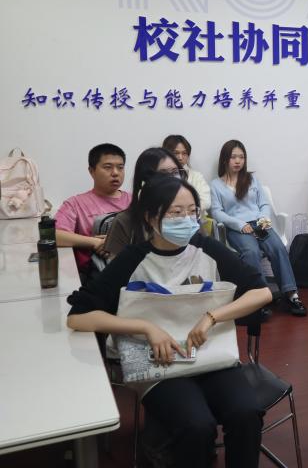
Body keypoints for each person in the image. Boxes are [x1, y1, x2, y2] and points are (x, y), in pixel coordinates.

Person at [66, 175, 272, 468]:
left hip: (211, 355)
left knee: (246, 413)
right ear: (151, 217)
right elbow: (79, 317)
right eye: (176, 213)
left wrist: (212, 317)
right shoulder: (133, 259)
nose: (186, 220)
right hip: (159, 365)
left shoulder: (206, 248)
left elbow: (262, 292)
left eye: (192, 212)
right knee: (196, 426)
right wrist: (147, 328)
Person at [210, 140, 306, 317]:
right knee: (251, 252)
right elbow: (217, 213)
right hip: (237, 228)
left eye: (241, 157)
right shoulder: (216, 185)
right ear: (225, 159)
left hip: (259, 224)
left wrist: (263, 218)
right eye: (233, 157)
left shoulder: (252, 179)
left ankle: (291, 295)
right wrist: (240, 225)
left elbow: (264, 204)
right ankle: (259, 299)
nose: (238, 161)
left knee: (278, 248)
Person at [55, 143, 131, 280]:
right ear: (91, 171)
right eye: (108, 167)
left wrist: (114, 243)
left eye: (120, 167)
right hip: (93, 278)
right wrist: (95, 242)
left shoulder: (134, 201)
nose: (115, 173)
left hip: (133, 274)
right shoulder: (75, 203)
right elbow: (55, 235)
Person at [105, 147, 185, 258]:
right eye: (163, 174)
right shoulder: (124, 221)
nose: (172, 180)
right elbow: (117, 266)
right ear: (144, 182)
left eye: (175, 172)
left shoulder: (189, 214)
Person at [163, 134, 211, 213]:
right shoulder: (159, 177)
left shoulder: (196, 176)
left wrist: (181, 212)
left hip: (194, 218)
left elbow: (206, 202)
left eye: (184, 153)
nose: (180, 157)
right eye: (176, 153)